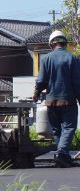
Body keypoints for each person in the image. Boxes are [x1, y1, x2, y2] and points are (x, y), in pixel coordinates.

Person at [33, 30, 80, 168]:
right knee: (69, 128)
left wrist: (36, 93)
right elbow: (77, 82)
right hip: (68, 101)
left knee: (57, 130)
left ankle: (63, 157)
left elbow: (41, 80)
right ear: (64, 43)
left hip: (51, 101)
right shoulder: (72, 58)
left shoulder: (46, 59)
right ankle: (62, 153)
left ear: (52, 44)